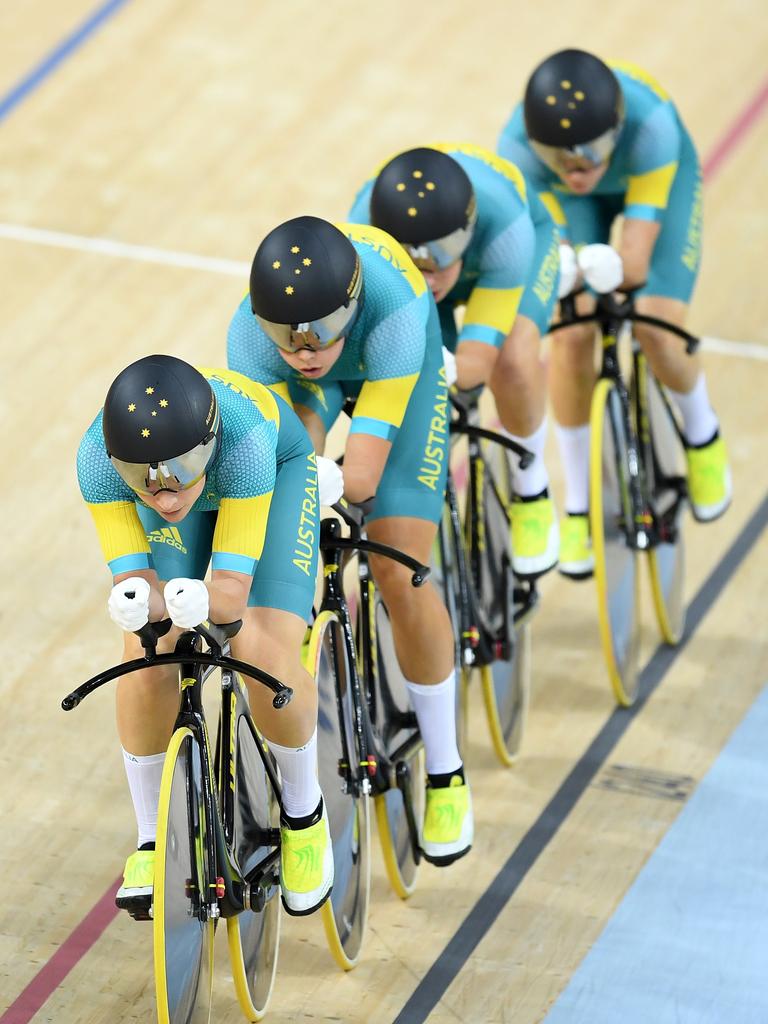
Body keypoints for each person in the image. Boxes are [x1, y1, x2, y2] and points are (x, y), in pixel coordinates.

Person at [228, 215, 473, 866]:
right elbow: (277, 469)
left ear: (350, 308)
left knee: (398, 563)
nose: (305, 349)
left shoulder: (393, 311)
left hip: (398, 377)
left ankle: (447, 770)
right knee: (289, 495)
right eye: (287, 338)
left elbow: (359, 472)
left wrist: (338, 493)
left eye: (319, 333)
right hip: (316, 394)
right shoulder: (252, 345)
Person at [77, 355, 333, 917]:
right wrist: (139, 603)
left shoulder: (243, 444)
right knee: (147, 650)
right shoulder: (97, 461)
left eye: (176, 475)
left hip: (275, 471)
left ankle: (304, 812)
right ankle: (149, 838)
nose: (165, 497)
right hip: (207, 483)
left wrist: (198, 597)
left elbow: (232, 595)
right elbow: (138, 584)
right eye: (145, 481)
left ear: (207, 442)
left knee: (258, 643)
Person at [498, 49, 731, 577]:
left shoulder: (652, 127)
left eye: (589, 154)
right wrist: (570, 269)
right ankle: (577, 505)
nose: (577, 170)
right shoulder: (517, 149)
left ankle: (702, 433)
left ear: (617, 131)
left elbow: (636, 263)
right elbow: (550, 248)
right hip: (565, 208)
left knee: (654, 323)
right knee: (573, 333)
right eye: (560, 158)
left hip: (652, 185)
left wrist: (610, 269)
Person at [349, 143, 561, 579]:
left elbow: (473, 367)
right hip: (406, 290)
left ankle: (531, 490)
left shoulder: (504, 227)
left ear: (467, 230)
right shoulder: (361, 239)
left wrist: (452, 370)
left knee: (511, 357)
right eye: (413, 259)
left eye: (439, 256)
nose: (428, 274)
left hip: (506, 260)